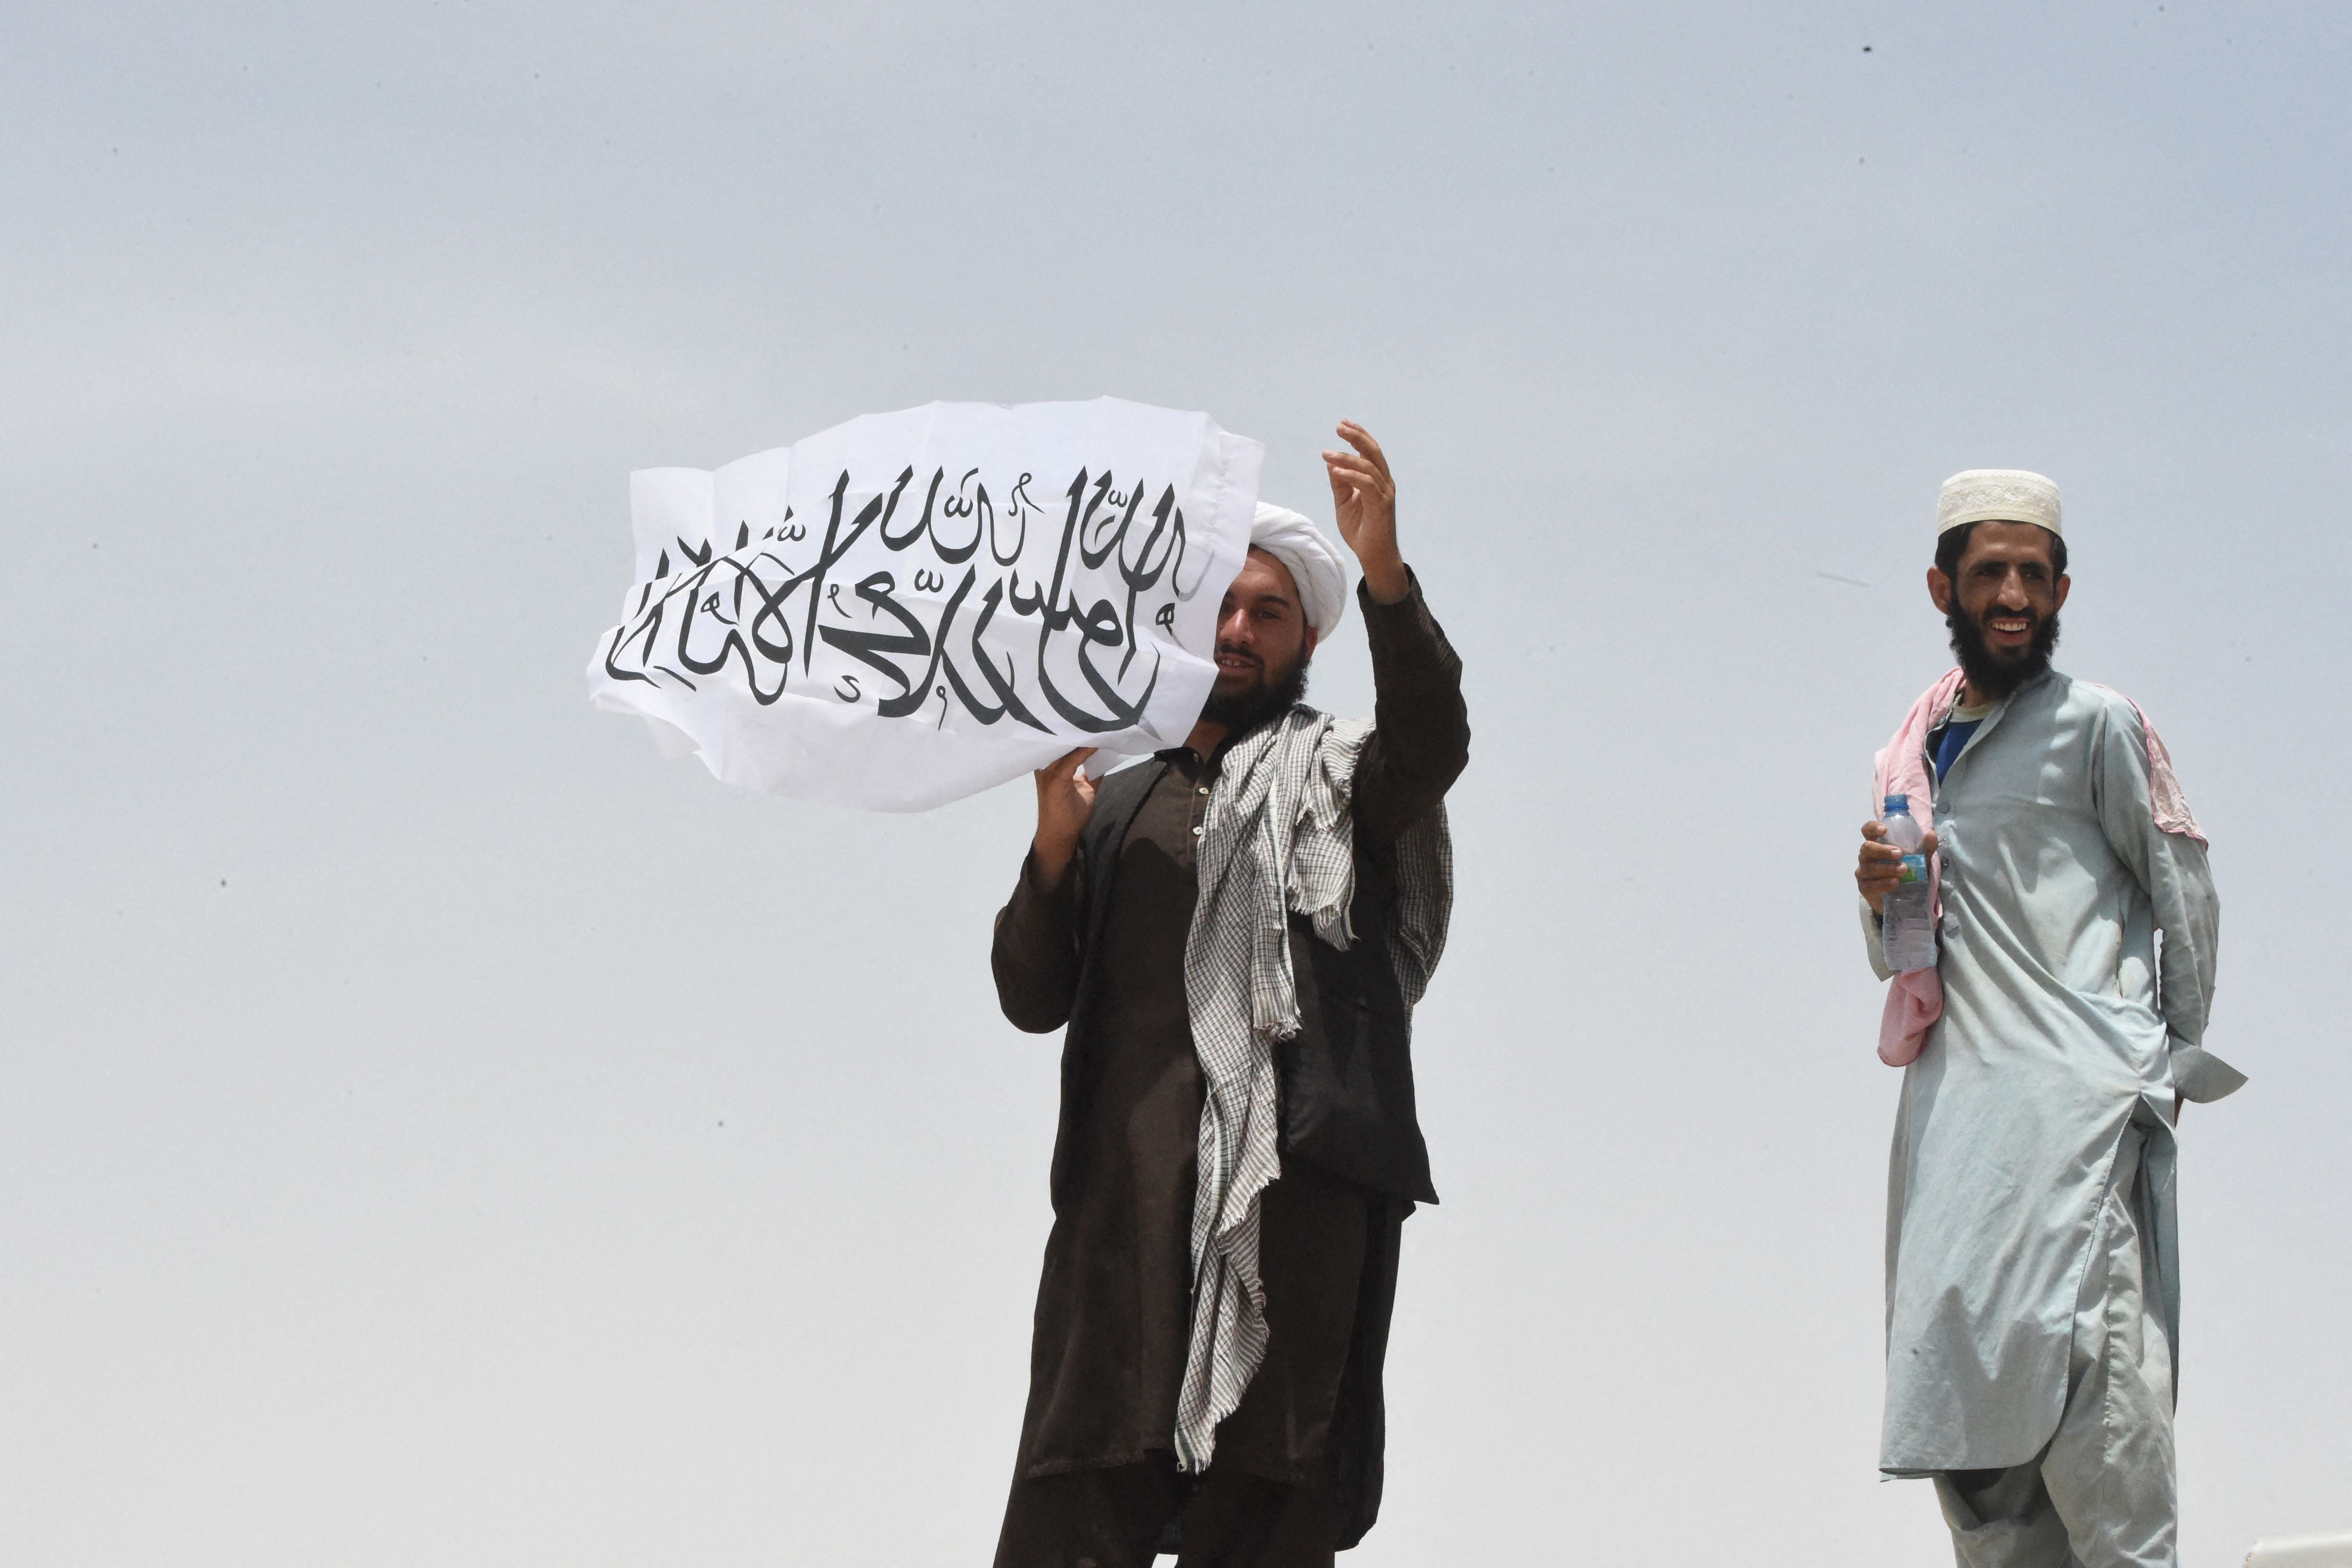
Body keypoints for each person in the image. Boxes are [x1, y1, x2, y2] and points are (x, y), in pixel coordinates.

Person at [988, 422, 1469, 1567]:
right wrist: (1054, 849)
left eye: (1269, 612)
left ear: (1307, 637)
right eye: (1222, 607)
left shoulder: (1344, 785)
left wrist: (1385, 573)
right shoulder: (1111, 799)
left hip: (1291, 1222)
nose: (1239, 630)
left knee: (1266, 1515)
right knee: (1076, 1506)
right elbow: (1029, 994)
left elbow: (1434, 738)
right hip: (1125, 1225)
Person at [1854, 469, 2245, 1568]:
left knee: (2112, 1475)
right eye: (1991, 572)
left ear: (2063, 587)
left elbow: (2186, 896)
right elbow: (1904, 958)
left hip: (2079, 1156)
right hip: (1959, 1168)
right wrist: (1877, 893)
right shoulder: (1912, 757)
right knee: (1990, 1506)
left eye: (2035, 572)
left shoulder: (2100, 725)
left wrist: (2149, 1064)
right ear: (1945, 585)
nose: (2015, 592)